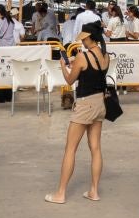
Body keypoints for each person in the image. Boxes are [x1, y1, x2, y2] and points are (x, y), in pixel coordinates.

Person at [45, 19, 109, 204]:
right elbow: (91, 70)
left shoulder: (83, 56)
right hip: (100, 103)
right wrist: (76, 61)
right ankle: (94, 191)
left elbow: (69, 80)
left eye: (84, 38)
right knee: (95, 148)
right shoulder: (104, 55)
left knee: (70, 149)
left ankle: (61, 193)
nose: (82, 41)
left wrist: (63, 66)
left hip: (84, 104)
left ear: (89, 37)